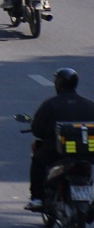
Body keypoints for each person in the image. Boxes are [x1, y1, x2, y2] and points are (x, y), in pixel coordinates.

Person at [25, 67, 94, 212]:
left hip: (56, 152)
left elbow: (37, 130)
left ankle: (37, 197)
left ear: (58, 84)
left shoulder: (50, 104)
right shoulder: (89, 105)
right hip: (87, 152)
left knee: (37, 158)